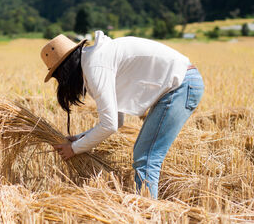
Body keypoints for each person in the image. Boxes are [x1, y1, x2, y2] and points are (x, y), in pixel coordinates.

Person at [40, 31, 204, 199]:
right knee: (144, 155)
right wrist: (80, 138)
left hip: (182, 85)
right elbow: (117, 121)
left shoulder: (96, 67)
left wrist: (74, 149)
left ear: (65, 71)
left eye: (58, 77)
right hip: (182, 82)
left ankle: (148, 215)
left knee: (146, 158)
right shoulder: (96, 59)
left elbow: (109, 125)